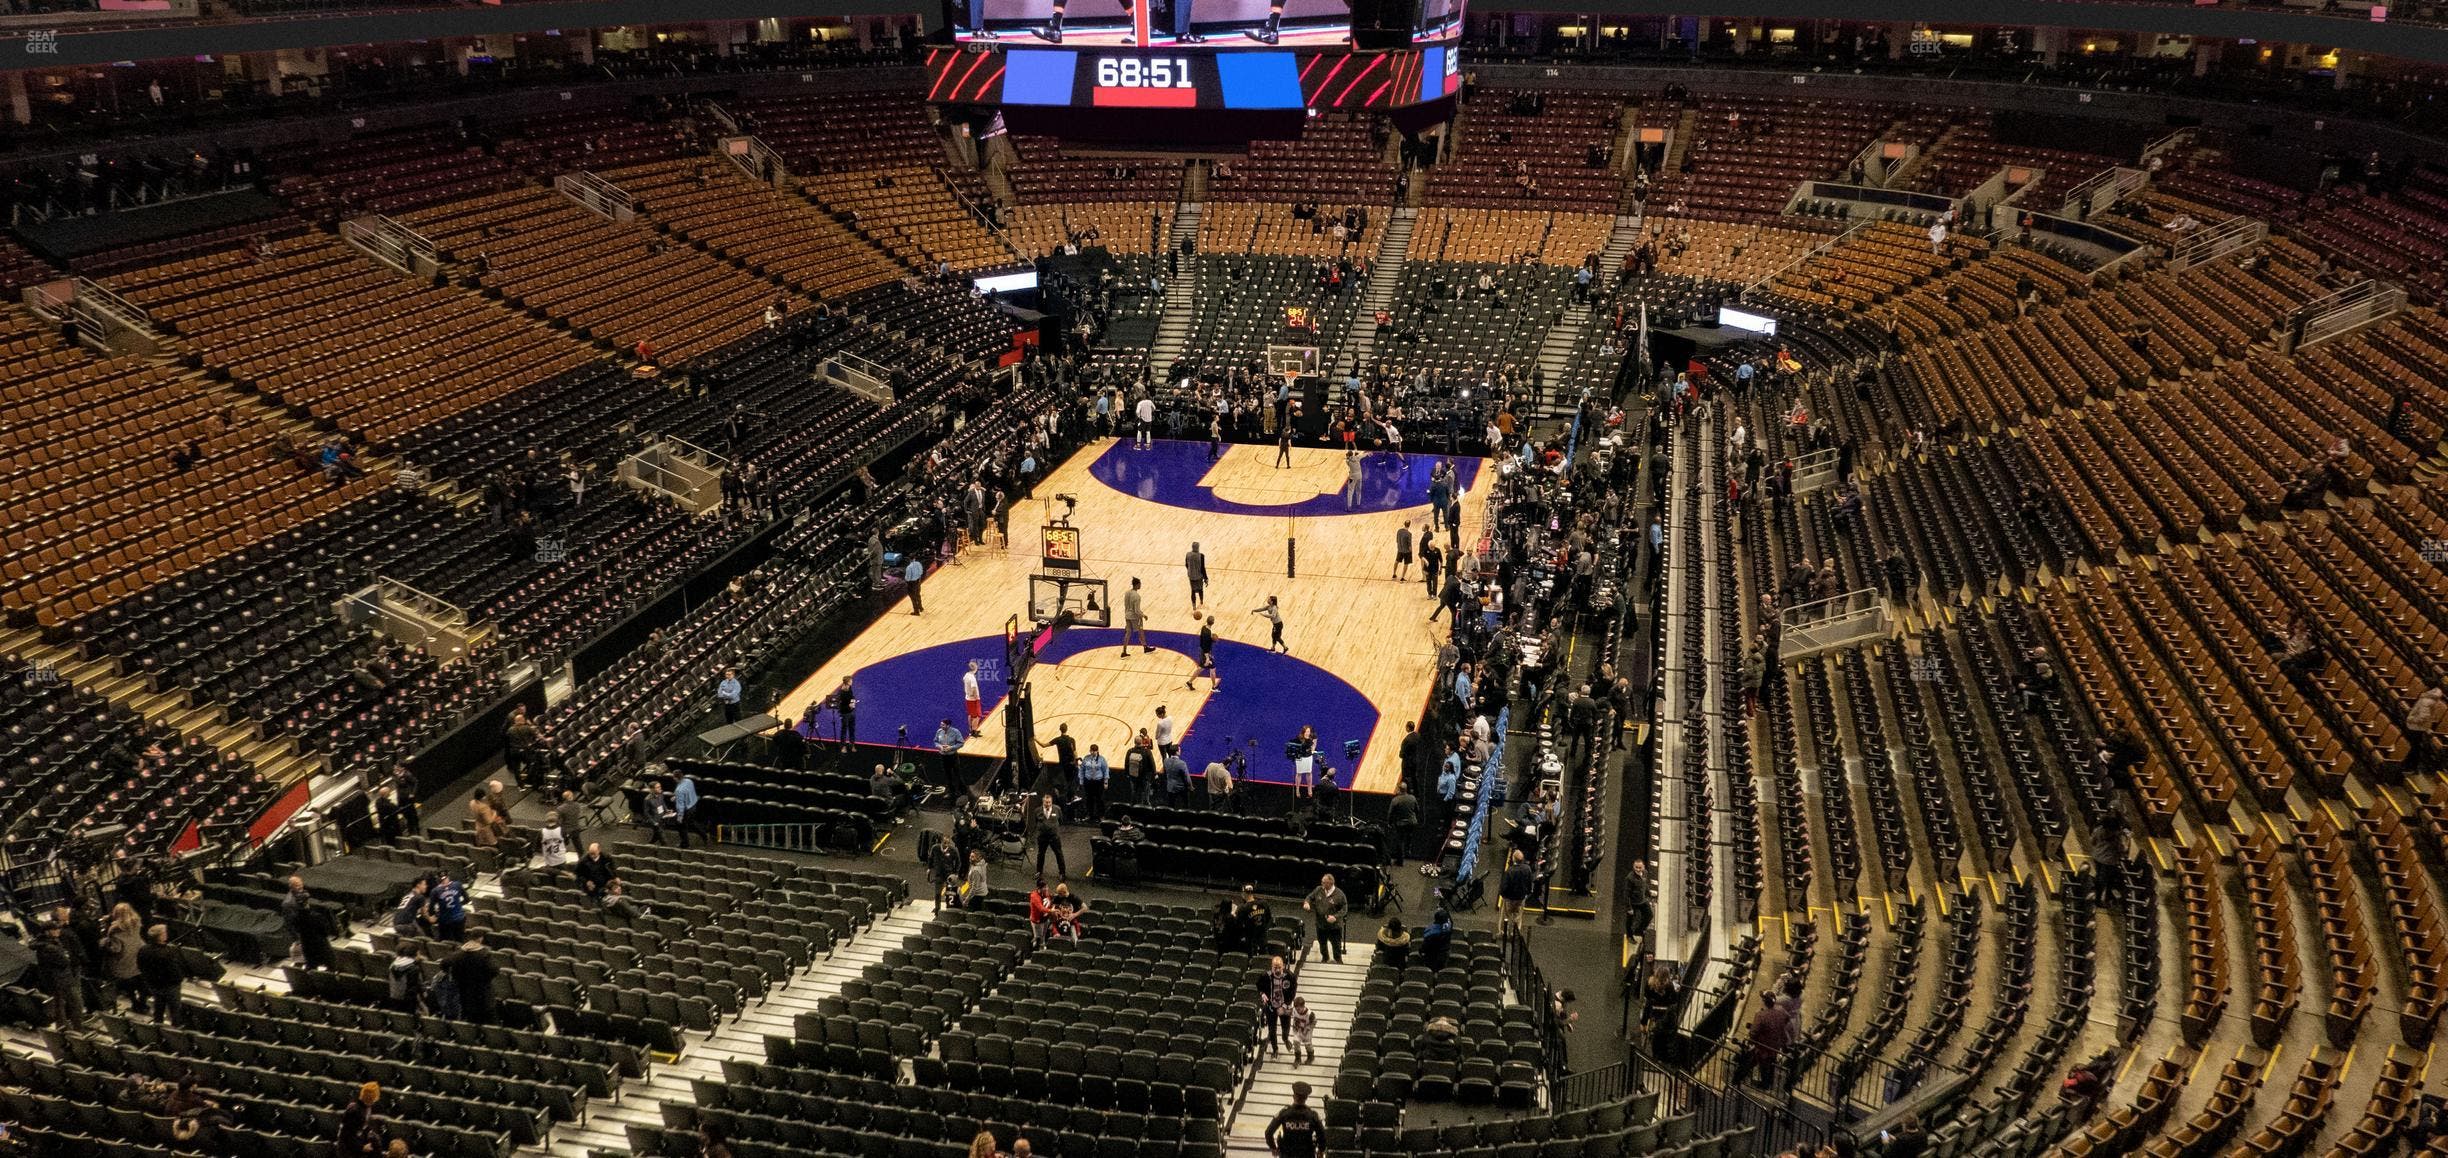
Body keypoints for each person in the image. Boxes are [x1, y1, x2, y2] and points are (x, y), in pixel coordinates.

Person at [136, 925, 187, 1023]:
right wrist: (180, 979)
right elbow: (175, 971)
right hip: (170, 986)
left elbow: (140, 965)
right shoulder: (168, 952)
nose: (166, 934)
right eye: (164, 932)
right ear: (160, 936)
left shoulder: (143, 949)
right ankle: (176, 1031)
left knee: (158, 1007)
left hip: (153, 985)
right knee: (174, 1010)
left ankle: (158, 1026)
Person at [99, 903, 142, 1014]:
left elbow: (116, 949)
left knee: (128, 985)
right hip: (136, 955)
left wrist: (104, 942)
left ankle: (134, 1002)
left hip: (123, 960)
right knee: (139, 981)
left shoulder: (115, 930)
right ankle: (142, 1002)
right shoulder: (136, 924)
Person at [446, 938, 499, 1026]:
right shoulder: (484, 955)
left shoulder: (458, 955)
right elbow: (495, 971)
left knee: (471, 1024)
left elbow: (444, 964)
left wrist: (458, 978)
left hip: (465, 995)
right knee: (491, 1024)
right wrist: (485, 979)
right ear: (480, 940)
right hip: (483, 995)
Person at [1265, 1081, 1324, 1158]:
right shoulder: (1312, 1115)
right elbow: (1322, 1135)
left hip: (1287, 1154)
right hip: (1307, 1154)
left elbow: (1268, 1132)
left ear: (1293, 1096)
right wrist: (1320, 1151)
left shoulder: (1284, 1113)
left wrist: (1273, 1148)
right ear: (1306, 1098)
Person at [1259, 955, 1298, 1055]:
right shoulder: (1266, 976)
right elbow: (1259, 986)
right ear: (1271, 967)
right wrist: (1262, 994)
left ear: (1283, 966)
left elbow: (1292, 993)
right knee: (1272, 1030)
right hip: (1271, 1007)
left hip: (1285, 1006)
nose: (1277, 970)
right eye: (1275, 967)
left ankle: (1285, 1039)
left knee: (1286, 1027)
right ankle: (1275, 1049)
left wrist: (1284, 1006)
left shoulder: (1290, 976)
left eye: (1279, 967)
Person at [1304, 873, 1348, 963]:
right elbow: (1310, 897)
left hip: (1334, 926)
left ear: (1330, 883)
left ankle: (1338, 959)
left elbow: (1344, 909)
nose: (1322, 883)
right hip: (1321, 924)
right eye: (1322, 882)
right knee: (1322, 943)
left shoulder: (1339, 894)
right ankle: (1325, 957)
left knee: (1336, 945)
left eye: (1324, 882)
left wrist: (1335, 917)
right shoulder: (1318, 889)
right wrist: (1306, 903)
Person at [336, 1082, 383, 1156]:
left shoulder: (365, 1107)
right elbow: (347, 1135)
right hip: (348, 1148)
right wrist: (362, 1147)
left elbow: (363, 1126)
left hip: (356, 1140)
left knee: (375, 1141)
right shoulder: (355, 1112)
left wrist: (370, 1133)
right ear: (373, 1099)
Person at [2409, 686, 2446, 773]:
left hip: (2418, 726)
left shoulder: (2427, 700)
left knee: (2415, 746)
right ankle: (2411, 766)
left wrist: (2412, 720)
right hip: (2420, 725)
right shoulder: (2429, 698)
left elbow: (2424, 716)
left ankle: (2412, 767)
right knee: (2415, 746)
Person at [1497, 848, 1535, 935]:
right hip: (1521, 897)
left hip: (1509, 898)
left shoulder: (1510, 871)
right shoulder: (1527, 869)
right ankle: (1515, 933)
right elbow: (1529, 882)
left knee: (1506, 915)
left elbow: (1504, 886)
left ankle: (1504, 932)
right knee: (1518, 915)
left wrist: (1503, 895)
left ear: (1514, 859)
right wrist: (1527, 893)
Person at [428, 872, 469, 942]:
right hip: (459, 918)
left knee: (446, 941)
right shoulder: (457, 884)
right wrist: (459, 904)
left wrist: (436, 914)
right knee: (459, 939)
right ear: (448, 877)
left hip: (445, 920)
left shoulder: (435, 891)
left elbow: (431, 909)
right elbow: (467, 899)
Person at [1033, 794, 1067, 878]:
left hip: (1054, 837)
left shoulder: (1057, 809)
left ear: (1051, 802)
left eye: (1049, 802)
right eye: (1046, 802)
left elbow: (1061, 821)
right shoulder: (1037, 811)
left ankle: (1062, 873)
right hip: (1042, 837)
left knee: (1059, 854)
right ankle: (1039, 872)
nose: (1047, 804)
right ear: (1043, 802)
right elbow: (1035, 822)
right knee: (1040, 854)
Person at [1386, 786, 1420, 866]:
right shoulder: (1412, 798)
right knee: (1409, 835)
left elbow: (1390, 813)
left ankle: (1400, 861)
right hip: (1412, 822)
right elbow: (1417, 810)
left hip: (1401, 824)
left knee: (1400, 841)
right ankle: (1408, 849)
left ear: (1399, 790)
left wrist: (1389, 823)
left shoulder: (1395, 800)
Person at [388, 943, 425, 1015]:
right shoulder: (414, 969)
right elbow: (414, 990)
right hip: (409, 1005)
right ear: (416, 954)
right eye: (419, 954)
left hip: (394, 1001)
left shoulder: (392, 966)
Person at [1187, 615, 1220, 691]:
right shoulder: (1208, 633)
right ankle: (1214, 687)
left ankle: (1189, 682)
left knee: (1201, 668)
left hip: (1204, 651)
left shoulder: (1203, 627)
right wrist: (1208, 657)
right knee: (1212, 668)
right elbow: (1205, 646)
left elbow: (1205, 642)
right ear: (1213, 623)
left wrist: (1211, 639)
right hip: (1205, 653)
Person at [1078, 743, 1110, 821]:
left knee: (1100, 799)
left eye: (1094, 751)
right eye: (1091, 751)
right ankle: (1089, 815)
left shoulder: (1101, 759)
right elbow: (1082, 769)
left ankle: (1101, 815)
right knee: (1089, 799)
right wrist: (1081, 780)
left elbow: (1106, 770)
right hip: (1088, 782)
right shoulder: (1086, 758)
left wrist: (1106, 782)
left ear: (1097, 751)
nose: (1092, 753)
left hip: (1098, 782)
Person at [935, 719, 966, 793]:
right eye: (941, 724)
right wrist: (940, 747)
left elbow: (961, 743)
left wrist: (951, 748)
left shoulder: (955, 732)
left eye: (943, 725)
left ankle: (962, 791)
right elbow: (935, 741)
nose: (941, 726)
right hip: (943, 757)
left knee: (957, 774)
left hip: (952, 756)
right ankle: (951, 791)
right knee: (947, 775)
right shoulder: (939, 731)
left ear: (948, 725)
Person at [672, 772, 700, 849]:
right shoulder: (689, 781)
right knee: (692, 823)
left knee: (681, 827)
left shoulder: (679, 790)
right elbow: (689, 792)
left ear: (676, 778)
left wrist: (680, 818)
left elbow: (680, 807)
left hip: (686, 810)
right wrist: (676, 796)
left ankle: (685, 844)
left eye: (673, 777)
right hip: (693, 805)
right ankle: (704, 835)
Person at [1122, 577, 1148, 655]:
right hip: (1135, 617)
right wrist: (1143, 615)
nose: (1140, 585)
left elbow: (1125, 604)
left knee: (1128, 633)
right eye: (1140, 584)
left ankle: (1124, 651)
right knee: (1141, 632)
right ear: (1136, 585)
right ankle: (1145, 648)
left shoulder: (1127, 593)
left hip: (1127, 615)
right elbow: (1137, 611)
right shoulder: (1137, 596)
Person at [1185, 543, 1208, 609]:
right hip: (1199, 577)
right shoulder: (1201, 556)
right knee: (1200, 590)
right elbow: (1203, 568)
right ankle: (1201, 602)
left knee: (1193, 590)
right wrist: (1206, 578)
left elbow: (1186, 564)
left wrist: (1190, 571)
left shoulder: (1188, 554)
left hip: (1191, 576)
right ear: (1198, 547)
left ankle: (1194, 606)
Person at [963, 660, 985, 729]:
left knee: (971, 714)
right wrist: (976, 697)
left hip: (967, 697)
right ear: (975, 668)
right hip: (973, 699)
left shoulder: (966, 675)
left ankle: (970, 730)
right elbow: (973, 688)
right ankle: (974, 731)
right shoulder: (972, 678)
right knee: (977, 716)